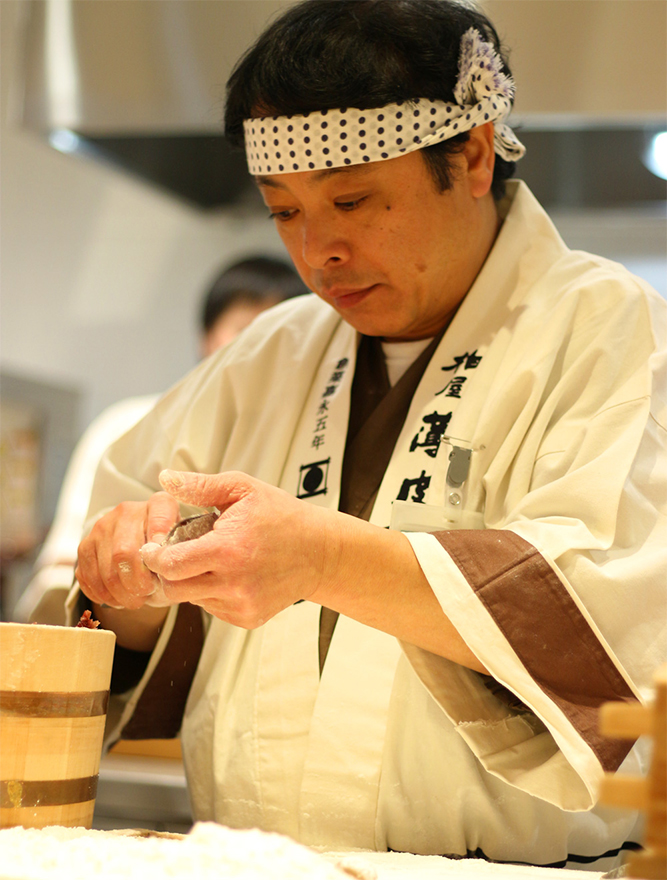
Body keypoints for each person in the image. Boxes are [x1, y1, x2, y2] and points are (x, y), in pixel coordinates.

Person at [68, 0, 665, 870]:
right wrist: (128, 584)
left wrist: (321, 557)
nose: (318, 253)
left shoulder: (609, 328)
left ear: (468, 156)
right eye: (283, 212)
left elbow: (607, 609)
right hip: (254, 860)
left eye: (351, 200)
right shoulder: (267, 354)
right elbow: (111, 600)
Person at [16, 255, 306, 624]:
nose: (256, 349)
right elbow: (63, 567)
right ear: (206, 336)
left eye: (276, 338)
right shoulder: (128, 423)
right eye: (243, 330)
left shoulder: (296, 441)